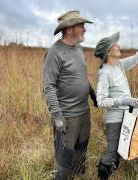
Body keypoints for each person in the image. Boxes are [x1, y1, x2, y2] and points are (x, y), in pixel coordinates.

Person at [94, 30, 138, 179]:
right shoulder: (105, 73)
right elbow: (100, 101)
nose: (118, 45)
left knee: (121, 150)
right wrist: (124, 101)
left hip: (127, 117)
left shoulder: (119, 65)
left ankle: (112, 175)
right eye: (115, 45)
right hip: (114, 120)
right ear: (108, 51)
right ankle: (102, 177)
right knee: (112, 151)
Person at [43, 10, 97, 180]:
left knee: (81, 151)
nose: (85, 29)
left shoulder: (79, 49)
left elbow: (80, 77)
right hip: (67, 116)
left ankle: (77, 176)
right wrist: (57, 116)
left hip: (84, 112)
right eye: (81, 26)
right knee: (64, 159)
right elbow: (48, 87)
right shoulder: (55, 52)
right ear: (69, 30)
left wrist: (92, 94)